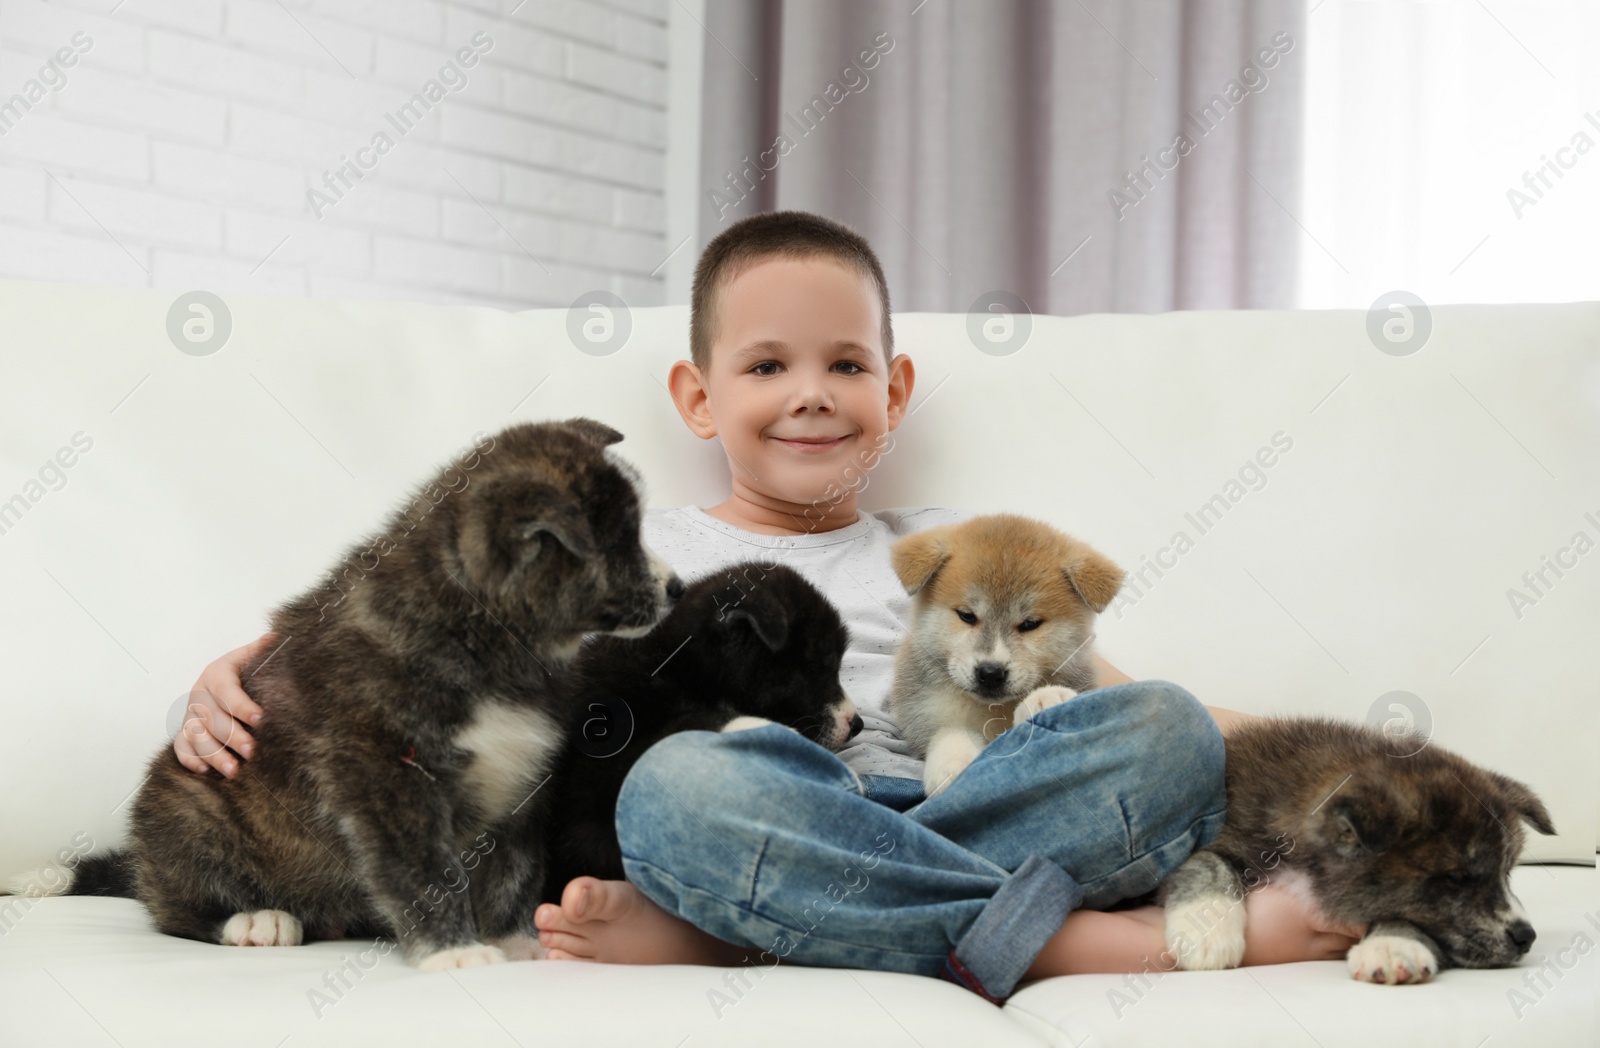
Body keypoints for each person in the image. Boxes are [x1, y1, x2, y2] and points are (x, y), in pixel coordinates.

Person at [174, 211, 1363, 1004]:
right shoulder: (643, 561)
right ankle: (1059, 938)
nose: (811, 395)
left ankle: (735, 930)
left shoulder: (941, 553)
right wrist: (242, 672)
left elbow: (1096, 696)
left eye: (847, 366)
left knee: (1171, 730)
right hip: (761, 803)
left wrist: (1295, 757)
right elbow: (423, 642)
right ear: (698, 396)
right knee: (680, 787)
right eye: (766, 367)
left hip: (959, 797)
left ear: (893, 392)